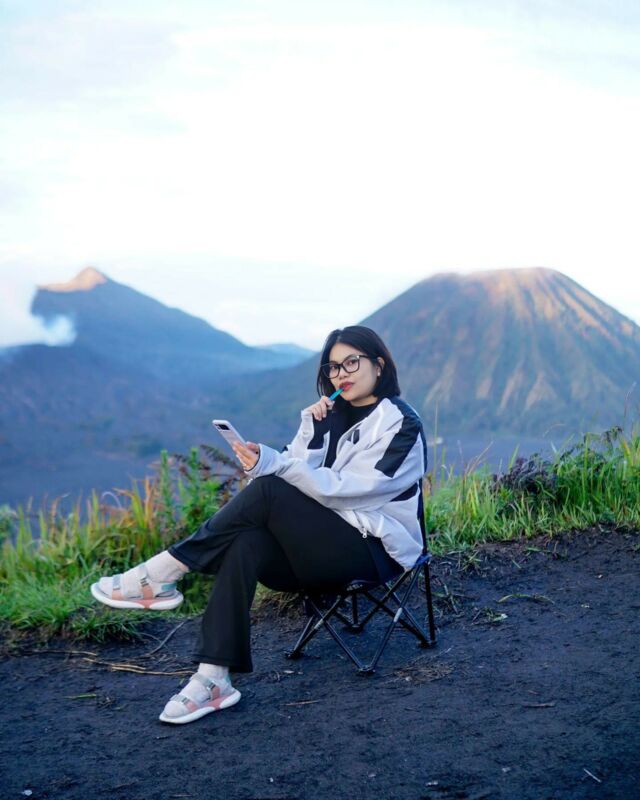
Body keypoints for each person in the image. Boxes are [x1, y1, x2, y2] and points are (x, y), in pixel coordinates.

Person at [91, 325, 428, 725]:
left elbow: (350, 491)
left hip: (374, 551)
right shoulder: (327, 417)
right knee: (247, 540)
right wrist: (310, 435)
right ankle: (213, 678)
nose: (341, 373)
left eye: (351, 362)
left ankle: (160, 573)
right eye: (333, 367)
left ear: (379, 364)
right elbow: (293, 476)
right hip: (318, 550)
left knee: (270, 488)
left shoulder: (401, 424)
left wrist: (273, 465)